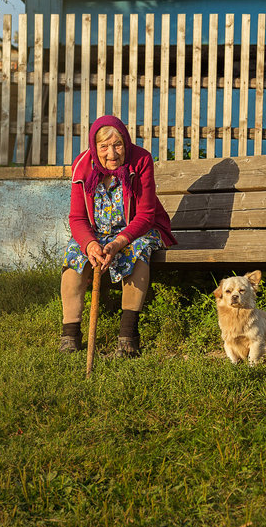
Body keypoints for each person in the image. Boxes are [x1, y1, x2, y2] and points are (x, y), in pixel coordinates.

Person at [60, 114, 177, 357]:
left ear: (126, 143)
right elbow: (77, 218)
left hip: (136, 230)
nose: (111, 153)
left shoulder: (141, 160)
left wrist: (117, 243)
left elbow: (145, 215)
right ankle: (70, 336)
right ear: (95, 147)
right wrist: (90, 245)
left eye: (118, 145)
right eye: (104, 147)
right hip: (97, 234)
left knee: (137, 251)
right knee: (74, 257)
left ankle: (128, 337)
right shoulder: (82, 166)